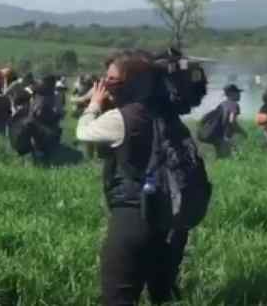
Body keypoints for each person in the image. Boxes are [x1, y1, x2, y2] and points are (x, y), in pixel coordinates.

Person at [76, 51, 190, 305]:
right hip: (169, 216)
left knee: (118, 296)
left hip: (134, 217)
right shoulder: (166, 114)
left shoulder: (123, 118)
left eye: (111, 78)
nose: (105, 83)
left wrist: (94, 104)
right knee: (161, 294)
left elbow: (83, 132)